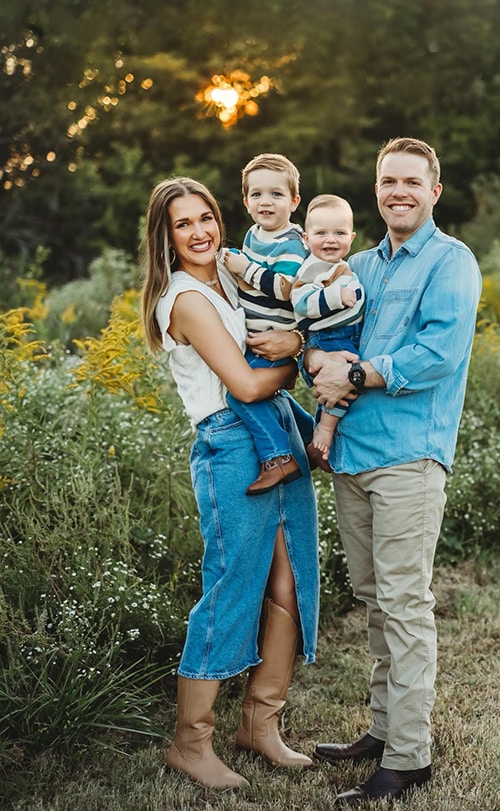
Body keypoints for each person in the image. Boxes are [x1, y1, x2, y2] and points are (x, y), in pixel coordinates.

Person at [305, 137, 482, 806]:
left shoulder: (451, 262)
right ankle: (382, 729)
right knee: (377, 601)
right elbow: (322, 336)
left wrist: (356, 371)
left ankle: (409, 758)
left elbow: (437, 350)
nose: (398, 191)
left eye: (412, 181)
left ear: (434, 190)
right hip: (351, 455)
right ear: (375, 189)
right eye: (388, 181)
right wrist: (314, 362)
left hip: (410, 457)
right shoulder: (355, 264)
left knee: (405, 605)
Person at [140, 177, 320, 791]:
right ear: (164, 238)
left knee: (290, 580)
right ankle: (191, 743)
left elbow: (294, 300)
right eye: (182, 224)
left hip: (276, 435)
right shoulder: (185, 298)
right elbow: (244, 385)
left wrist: (296, 335)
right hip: (231, 444)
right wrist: (298, 358)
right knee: (232, 585)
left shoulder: (232, 273)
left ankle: (260, 726)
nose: (199, 232)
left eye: (206, 217)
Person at [223, 153, 317, 494]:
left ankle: (279, 457)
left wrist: (242, 269)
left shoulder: (291, 244)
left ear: (294, 201)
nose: (266, 202)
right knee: (268, 394)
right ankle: (309, 435)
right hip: (259, 335)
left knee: (239, 393)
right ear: (246, 201)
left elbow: (284, 288)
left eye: (276, 195)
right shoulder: (254, 233)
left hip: (274, 337)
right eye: (258, 194)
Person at [291, 194, 365, 461]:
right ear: (306, 239)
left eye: (339, 232)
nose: (331, 239)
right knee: (347, 379)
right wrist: (336, 297)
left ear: (351, 238)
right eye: (321, 233)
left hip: (342, 335)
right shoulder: (311, 269)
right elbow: (300, 302)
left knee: (342, 381)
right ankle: (324, 428)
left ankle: (322, 432)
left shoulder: (340, 265)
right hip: (330, 337)